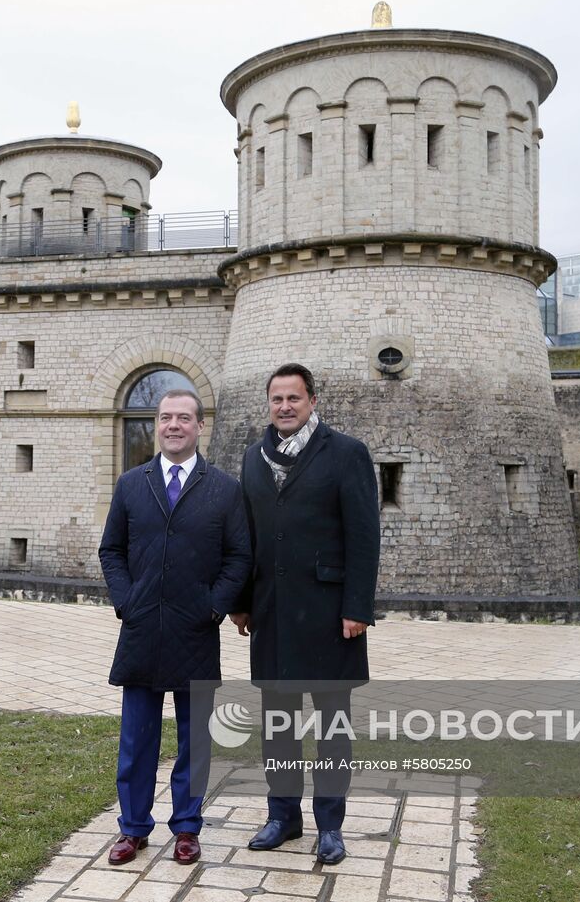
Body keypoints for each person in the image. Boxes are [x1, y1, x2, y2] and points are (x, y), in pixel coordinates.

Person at [231, 363, 380, 865]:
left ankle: (330, 825)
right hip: (271, 615)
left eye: (294, 398)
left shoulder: (346, 454)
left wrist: (357, 606)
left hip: (329, 614)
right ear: (268, 403)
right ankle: (282, 816)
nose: (285, 407)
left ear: (313, 400)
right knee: (279, 725)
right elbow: (246, 536)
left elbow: (364, 536)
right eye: (277, 399)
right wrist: (242, 602)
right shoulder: (253, 458)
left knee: (332, 726)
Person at [99, 389, 253, 866]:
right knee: (137, 740)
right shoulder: (130, 484)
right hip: (142, 630)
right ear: (158, 423)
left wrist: (213, 607)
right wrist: (127, 601)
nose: (173, 425)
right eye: (165, 417)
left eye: (183, 418)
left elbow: (239, 556)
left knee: (195, 742)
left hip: (195, 631)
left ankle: (187, 828)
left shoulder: (224, 489)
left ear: (199, 426)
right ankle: (133, 828)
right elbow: (112, 551)